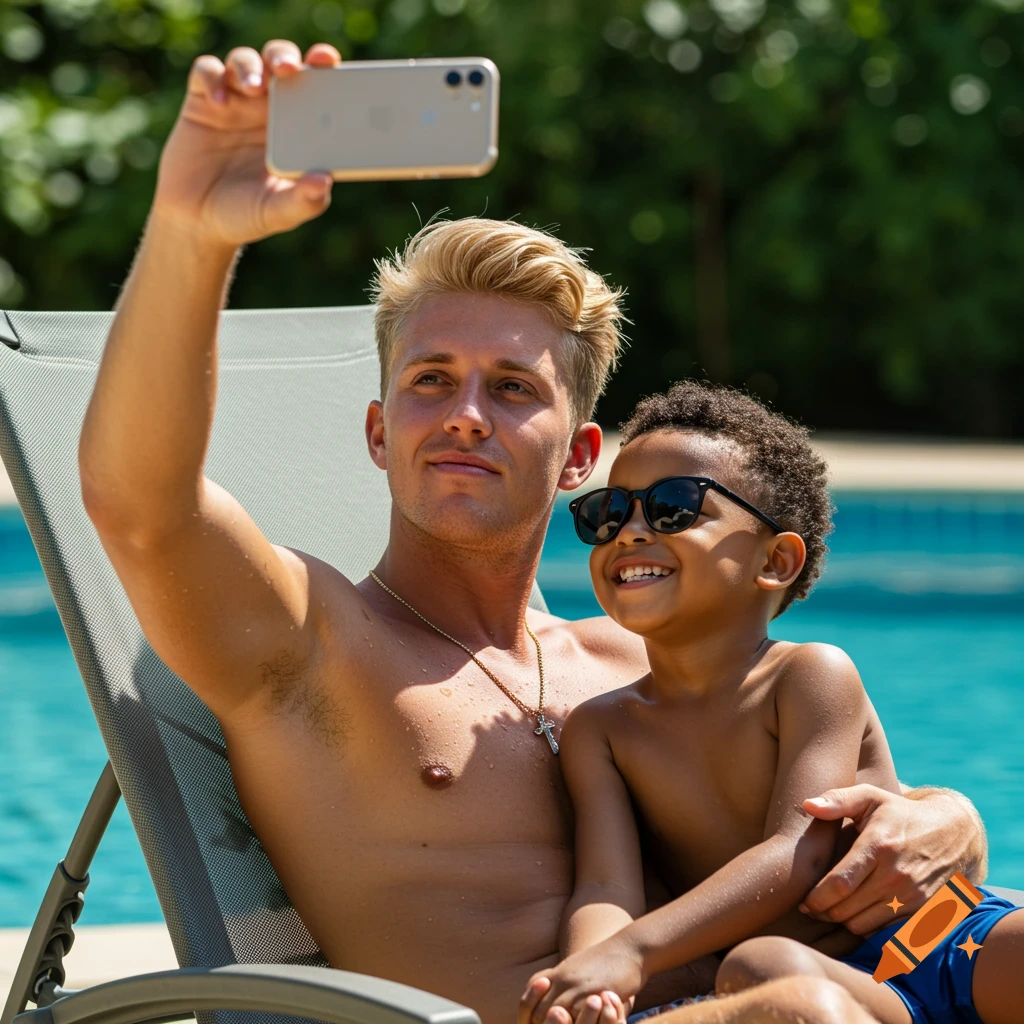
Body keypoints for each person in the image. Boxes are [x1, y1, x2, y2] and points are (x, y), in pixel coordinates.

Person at [78, 37, 989, 1024]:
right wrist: (192, 229)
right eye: (431, 380)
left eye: (512, 388)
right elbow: (140, 504)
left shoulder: (648, 661)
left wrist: (947, 817)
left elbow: (861, 812)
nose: (466, 412)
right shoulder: (313, 646)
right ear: (381, 433)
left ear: (577, 457)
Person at [518, 382, 1020, 1024]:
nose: (629, 531)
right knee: (760, 969)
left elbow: (799, 852)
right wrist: (591, 974)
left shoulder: (809, 675)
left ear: (776, 560)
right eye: (606, 513)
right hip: (824, 974)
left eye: (673, 507)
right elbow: (607, 888)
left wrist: (635, 951)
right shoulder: (602, 731)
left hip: (941, 936)